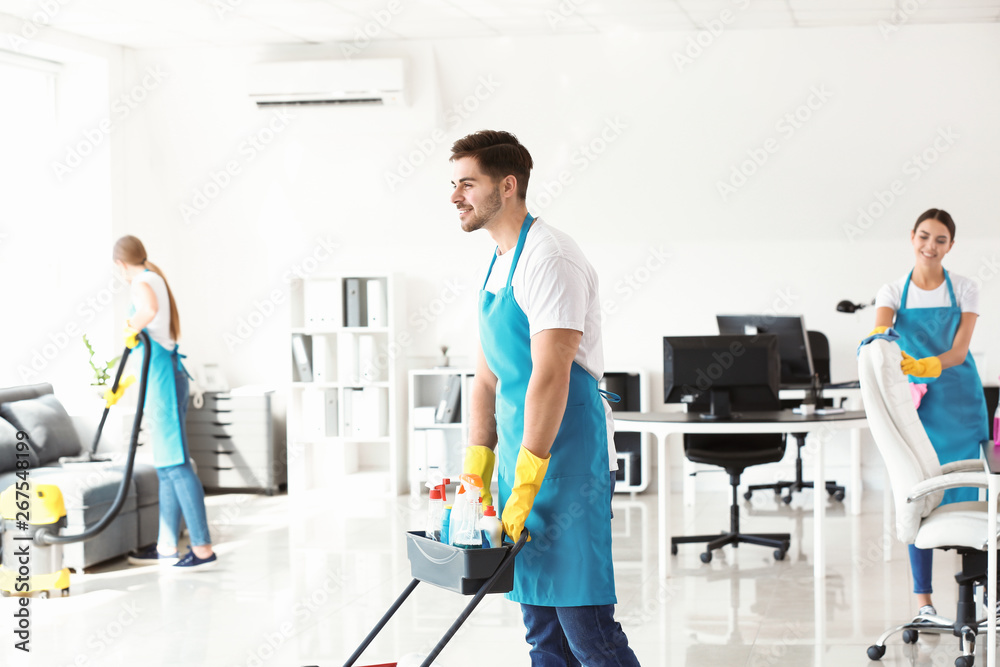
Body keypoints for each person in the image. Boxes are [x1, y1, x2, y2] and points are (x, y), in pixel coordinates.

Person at [451, 130, 640, 666]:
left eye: (468, 183)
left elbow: (551, 375)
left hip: (567, 458)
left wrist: (529, 476)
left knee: (586, 627)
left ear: (507, 186)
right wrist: (478, 468)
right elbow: (487, 379)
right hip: (521, 457)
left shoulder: (550, 256)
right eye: (454, 183)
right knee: (540, 627)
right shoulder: (498, 260)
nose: (455, 196)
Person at [871, 208, 988, 618]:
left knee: (973, 489)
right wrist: (874, 345)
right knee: (915, 493)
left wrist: (924, 365)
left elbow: (958, 352)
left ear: (950, 246)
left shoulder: (966, 288)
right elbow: (880, 334)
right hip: (916, 404)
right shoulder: (890, 291)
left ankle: (979, 592)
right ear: (912, 237)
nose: (930, 246)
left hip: (959, 398)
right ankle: (923, 600)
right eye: (924, 237)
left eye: (940, 240)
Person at [106, 235, 218, 570]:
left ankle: (202, 548)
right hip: (165, 376)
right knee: (166, 466)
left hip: (164, 380)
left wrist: (130, 325)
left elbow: (149, 310)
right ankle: (166, 546)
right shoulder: (154, 276)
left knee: (176, 465)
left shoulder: (141, 280)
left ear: (120, 264)